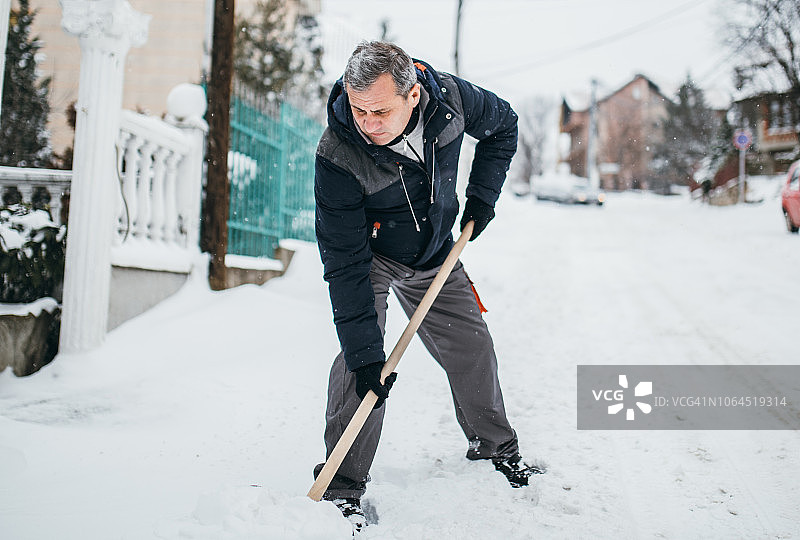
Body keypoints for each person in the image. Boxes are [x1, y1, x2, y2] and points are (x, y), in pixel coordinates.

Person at [313, 41, 542, 528]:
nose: (368, 123)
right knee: (362, 368)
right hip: (373, 257)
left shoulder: (453, 102)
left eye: (380, 111)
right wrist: (364, 351)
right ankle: (342, 486)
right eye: (358, 110)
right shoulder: (339, 152)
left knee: (472, 347)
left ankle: (496, 449)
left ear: (413, 95)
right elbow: (344, 261)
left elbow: (503, 126)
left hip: (437, 252)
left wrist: (482, 197)